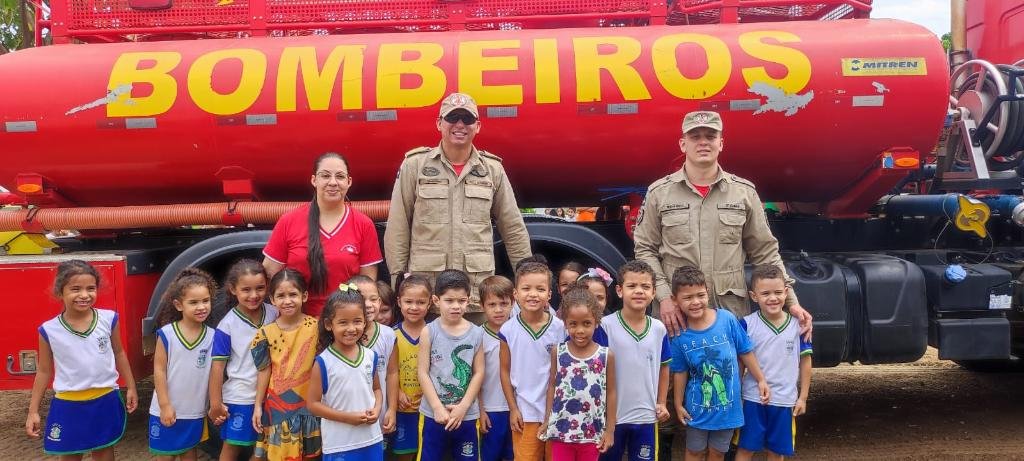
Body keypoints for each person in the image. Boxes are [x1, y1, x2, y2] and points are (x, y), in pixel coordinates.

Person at [632, 111, 812, 337]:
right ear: (682, 144)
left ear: (721, 143)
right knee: (676, 372)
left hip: (728, 311)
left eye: (710, 136)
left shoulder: (743, 193)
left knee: (728, 371)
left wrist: (791, 301)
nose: (703, 142)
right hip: (677, 313)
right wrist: (664, 297)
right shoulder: (660, 193)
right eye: (695, 136)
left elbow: (765, 252)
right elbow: (645, 249)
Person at [383, 92, 532, 314]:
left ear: (478, 126)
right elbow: (398, 225)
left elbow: (512, 227)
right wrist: (399, 278)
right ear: (439, 123)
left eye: (467, 119)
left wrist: (527, 280)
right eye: (452, 118)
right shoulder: (415, 166)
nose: (460, 124)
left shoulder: (492, 170)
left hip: (475, 295)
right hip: (428, 295)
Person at [26, 260, 138, 460]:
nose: (84, 295)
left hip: (105, 398)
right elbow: (43, 371)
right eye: (75, 289)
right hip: (68, 404)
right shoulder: (49, 330)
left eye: (91, 288)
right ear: (60, 292)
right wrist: (33, 411)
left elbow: (119, 353)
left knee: (104, 451)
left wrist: (131, 387)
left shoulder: (108, 319)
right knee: (70, 454)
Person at [263, 152, 383, 317]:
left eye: (340, 176)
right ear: (314, 180)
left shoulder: (363, 224)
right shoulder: (289, 221)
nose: (333, 182)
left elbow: (367, 285)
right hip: (297, 324)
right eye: (325, 175)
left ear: (349, 182)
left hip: (344, 325)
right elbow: (270, 274)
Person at [668, 266, 769, 461]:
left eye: (700, 295)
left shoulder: (726, 319)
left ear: (708, 292)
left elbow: (745, 351)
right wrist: (679, 404)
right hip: (697, 409)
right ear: (675, 300)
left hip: (728, 410)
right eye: (688, 298)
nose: (695, 302)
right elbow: (680, 372)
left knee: (718, 453)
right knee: (694, 451)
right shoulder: (680, 336)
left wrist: (761, 379)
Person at [149, 268, 229, 460]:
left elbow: (214, 374)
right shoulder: (167, 334)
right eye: (193, 302)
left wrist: (215, 405)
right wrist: (165, 405)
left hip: (195, 411)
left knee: (190, 453)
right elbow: (159, 371)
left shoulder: (213, 336)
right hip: (168, 409)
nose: (201, 307)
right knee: (166, 455)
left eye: (205, 301)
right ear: (179, 305)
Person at [735, 265, 813, 461]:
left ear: (786, 292)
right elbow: (741, 362)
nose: (773, 298)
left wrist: (802, 397)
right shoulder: (746, 324)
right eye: (766, 293)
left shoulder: (800, 326)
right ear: (754, 296)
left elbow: (805, 363)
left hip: (785, 401)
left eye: (778, 292)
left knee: (776, 452)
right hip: (753, 398)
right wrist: (736, 394)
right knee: (745, 448)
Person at [599, 260, 671, 461]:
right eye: (632, 286)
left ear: (654, 292)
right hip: (612, 418)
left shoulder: (659, 329)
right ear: (620, 291)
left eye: (645, 286)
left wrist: (662, 403)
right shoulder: (606, 326)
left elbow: (664, 368)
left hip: (646, 416)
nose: (639, 291)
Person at [209, 259, 279, 460]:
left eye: (260, 288)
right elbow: (217, 366)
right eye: (246, 290)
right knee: (233, 446)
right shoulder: (227, 325)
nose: (254, 295)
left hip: (271, 395)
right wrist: (215, 403)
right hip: (240, 396)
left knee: (263, 449)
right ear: (233, 289)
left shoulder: (275, 313)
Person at [498, 261, 567, 461]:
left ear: (549, 295)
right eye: (526, 288)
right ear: (515, 294)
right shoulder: (508, 330)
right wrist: (513, 409)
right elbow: (504, 370)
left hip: (557, 413)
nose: (533, 294)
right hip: (524, 412)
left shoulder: (560, 328)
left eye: (540, 289)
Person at [307, 286, 385, 461]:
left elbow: (377, 390)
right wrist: (348, 418)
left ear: (365, 321)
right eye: (343, 322)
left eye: (357, 321)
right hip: (339, 444)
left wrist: (377, 408)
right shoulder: (323, 362)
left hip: (371, 438)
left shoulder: (370, 356)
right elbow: (312, 404)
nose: (351, 328)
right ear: (328, 324)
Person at [251, 269, 322, 460]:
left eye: (293, 294)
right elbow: (264, 371)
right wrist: (258, 405)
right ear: (272, 300)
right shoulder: (265, 334)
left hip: (310, 405)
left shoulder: (316, 328)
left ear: (304, 296)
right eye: (281, 296)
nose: (287, 300)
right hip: (278, 408)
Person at [540, 286, 617, 461]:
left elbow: (611, 392)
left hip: (592, 433)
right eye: (573, 324)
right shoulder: (558, 352)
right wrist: (547, 420)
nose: (580, 330)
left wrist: (610, 430)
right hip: (561, 431)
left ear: (596, 322)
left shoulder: (605, 355)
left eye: (586, 323)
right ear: (565, 323)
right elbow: (552, 385)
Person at [417, 269, 486, 461]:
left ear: (468, 300)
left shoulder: (477, 333)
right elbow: (422, 372)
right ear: (436, 300)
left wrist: (464, 407)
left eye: (461, 301)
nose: (456, 306)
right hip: (432, 414)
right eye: (449, 300)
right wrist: (437, 407)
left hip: (467, 415)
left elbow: (479, 373)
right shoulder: (429, 332)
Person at [349, 275, 399, 442]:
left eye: (374, 299)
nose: (369, 305)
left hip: (379, 412)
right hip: (348, 412)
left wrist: (392, 409)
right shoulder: (342, 335)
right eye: (363, 299)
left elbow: (392, 373)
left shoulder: (388, 334)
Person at [390, 274, 432, 461]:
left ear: (430, 303)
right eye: (408, 301)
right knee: (404, 454)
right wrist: (397, 391)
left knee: (427, 453)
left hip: (428, 408)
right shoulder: (390, 335)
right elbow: (386, 371)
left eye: (420, 302)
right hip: (401, 409)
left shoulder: (436, 333)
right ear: (399, 302)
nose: (414, 307)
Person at [477, 275, 515, 461]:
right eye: (492, 304)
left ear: (513, 302)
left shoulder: (518, 332)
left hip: (517, 408)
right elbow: (474, 378)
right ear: (482, 305)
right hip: (490, 409)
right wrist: (481, 410)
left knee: (513, 454)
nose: (499, 310)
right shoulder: (478, 336)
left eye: (504, 303)